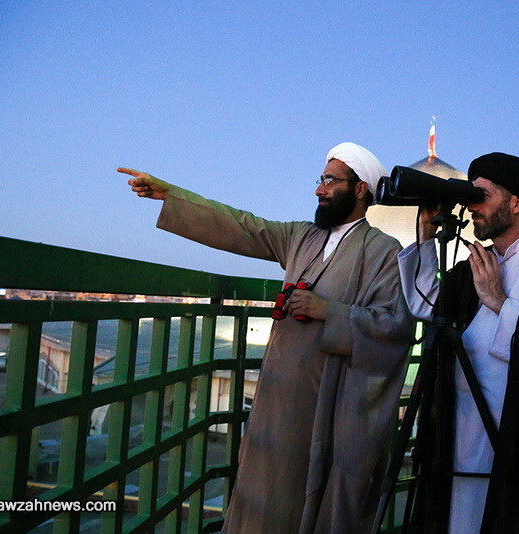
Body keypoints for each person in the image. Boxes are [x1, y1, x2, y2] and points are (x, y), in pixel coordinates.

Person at [118, 142, 415, 534]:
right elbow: (241, 225)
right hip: (277, 398)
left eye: (330, 180)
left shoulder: (384, 251)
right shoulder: (299, 237)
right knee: (263, 496)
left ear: (360, 189)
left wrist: (330, 311)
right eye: (320, 179)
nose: (319, 190)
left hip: (330, 404)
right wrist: (170, 195)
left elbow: (394, 327)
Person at [397, 152, 519, 533]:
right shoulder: (479, 259)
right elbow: (426, 304)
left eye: (482, 196)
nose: (472, 208)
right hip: (462, 424)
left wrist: (499, 303)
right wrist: (425, 236)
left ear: (516, 204)